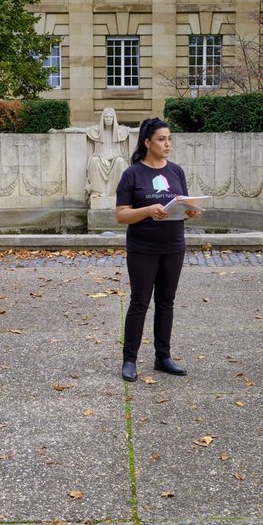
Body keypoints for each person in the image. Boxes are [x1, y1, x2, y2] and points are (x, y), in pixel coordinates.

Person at [114, 117, 201, 382]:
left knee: (166, 302)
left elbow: (182, 205)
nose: (167, 144)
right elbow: (121, 215)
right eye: (162, 139)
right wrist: (147, 211)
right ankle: (129, 360)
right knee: (139, 302)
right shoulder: (132, 174)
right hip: (143, 247)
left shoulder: (176, 171)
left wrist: (190, 212)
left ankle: (163, 357)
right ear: (147, 142)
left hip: (173, 245)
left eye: (169, 139)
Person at [85, 107, 132, 199]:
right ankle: (97, 192)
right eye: (106, 117)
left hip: (115, 159)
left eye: (110, 117)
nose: (108, 119)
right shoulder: (96, 131)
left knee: (120, 161)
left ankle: (118, 193)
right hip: (101, 159)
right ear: (103, 118)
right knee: (94, 160)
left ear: (114, 118)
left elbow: (133, 131)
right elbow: (82, 131)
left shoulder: (120, 131)